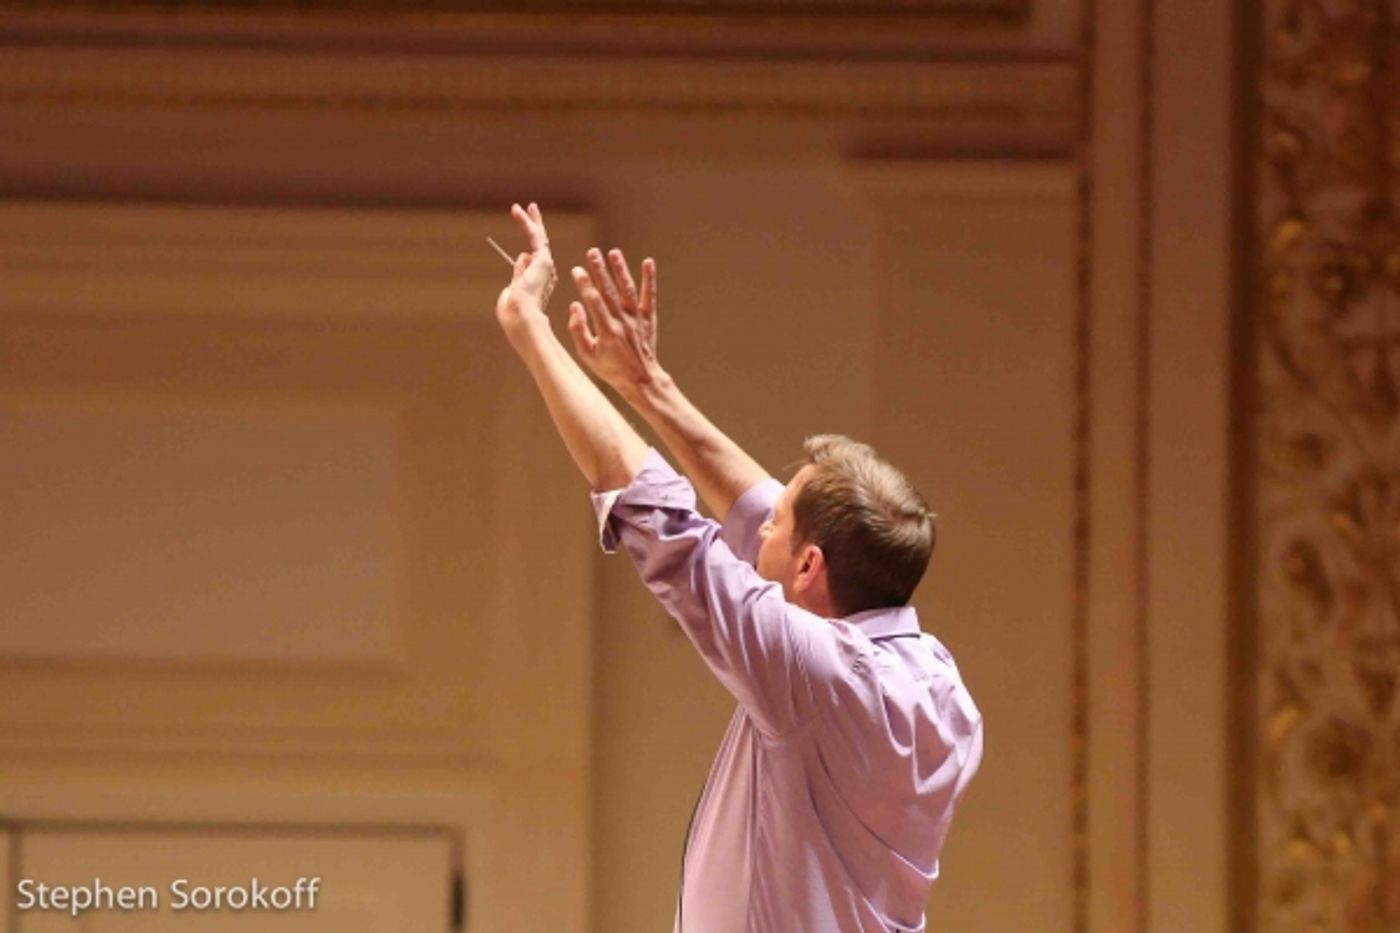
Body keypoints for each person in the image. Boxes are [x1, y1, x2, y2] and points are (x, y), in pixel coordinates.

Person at [492, 203, 983, 933]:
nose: (759, 525)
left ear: (811, 566)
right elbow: (756, 512)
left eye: (781, 522)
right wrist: (646, 385)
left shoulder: (818, 679)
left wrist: (527, 328)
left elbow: (660, 519)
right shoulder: (939, 688)